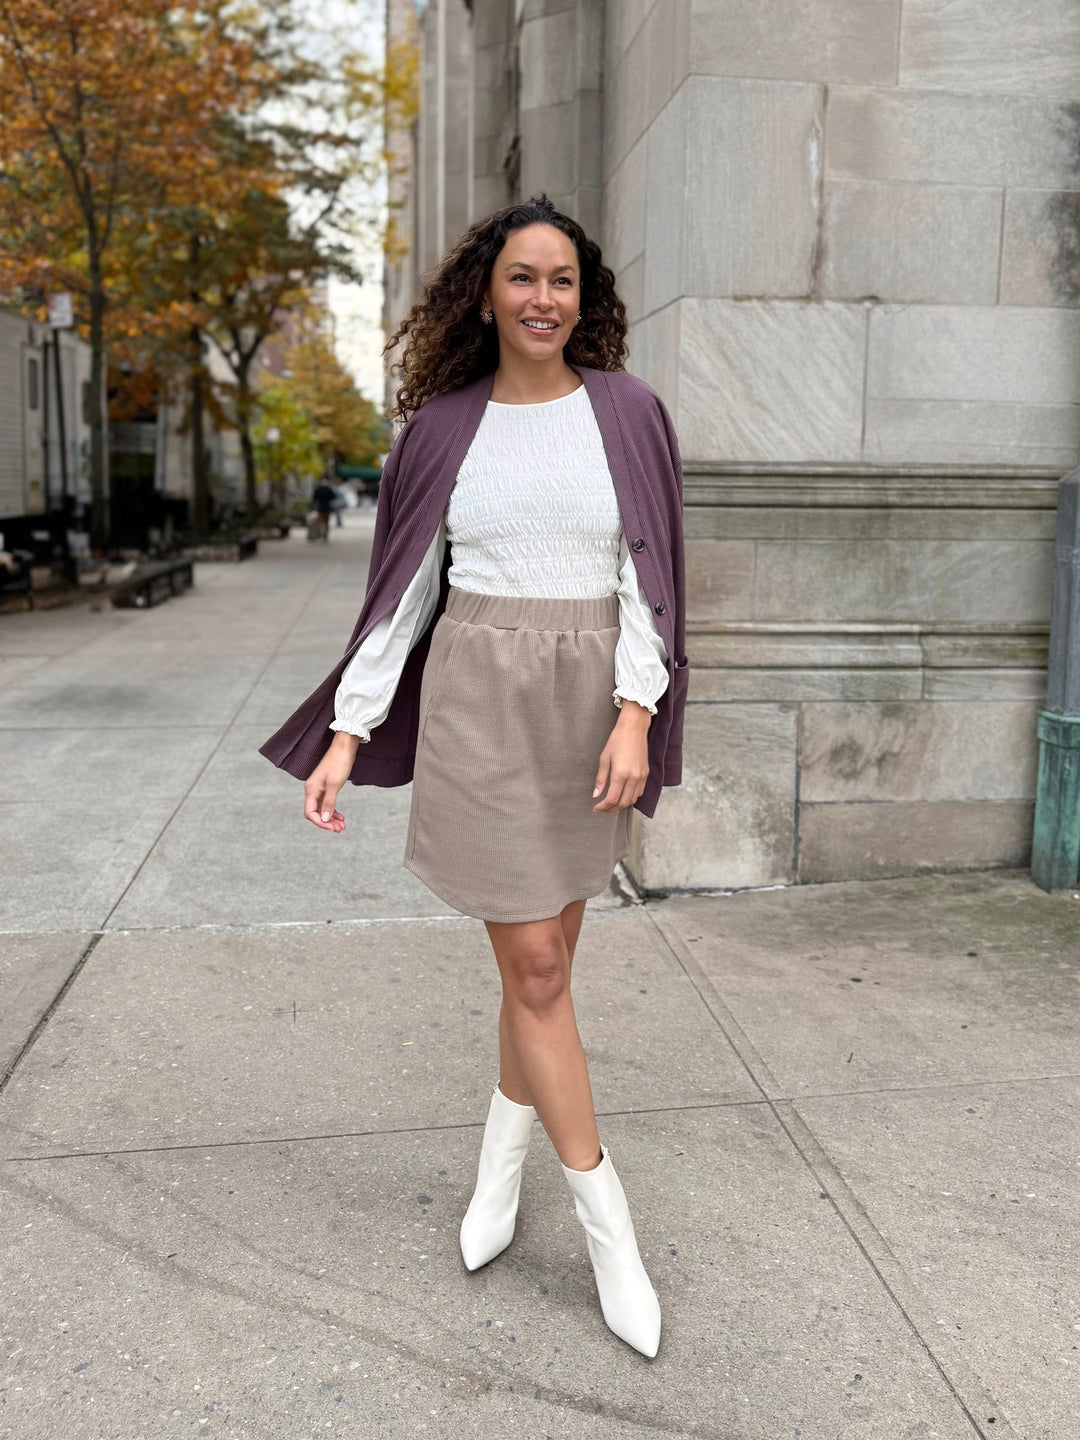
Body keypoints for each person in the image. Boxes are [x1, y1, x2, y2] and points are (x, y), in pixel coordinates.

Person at [260, 195, 687, 1358]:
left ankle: (499, 1172)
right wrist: (348, 733)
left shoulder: (631, 414)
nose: (542, 298)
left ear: (584, 297)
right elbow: (402, 593)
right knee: (538, 965)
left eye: (562, 280)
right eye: (520, 278)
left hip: (588, 707)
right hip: (480, 706)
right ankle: (612, 1235)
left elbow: (647, 582)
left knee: (544, 967)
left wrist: (637, 712)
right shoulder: (441, 429)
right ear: (486, 295)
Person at [310, 476, 336, 542]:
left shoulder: (329, 489)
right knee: (321, 523)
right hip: (320, 508)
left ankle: (325, 536)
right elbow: (314, 498)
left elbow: (333, 497)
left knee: (326, 523)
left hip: (327, 508)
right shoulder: (318, 489)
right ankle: (321, 535)